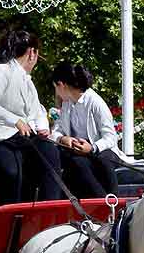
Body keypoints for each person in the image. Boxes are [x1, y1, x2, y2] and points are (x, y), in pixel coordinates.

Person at [0, 30, 62, 205]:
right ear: (32, 52)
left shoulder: (27, 81)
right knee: (12, 172)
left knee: (49, 151)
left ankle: (48, 209)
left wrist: (42, 126)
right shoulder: (2, 70)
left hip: (21, 139)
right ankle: (11, 217)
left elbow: (38, 110)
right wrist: (15, 120)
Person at [49, 61, 129, 198]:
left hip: (101, 151)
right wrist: (63, 138)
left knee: (101, 161)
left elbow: (110, 137)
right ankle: (101, 202)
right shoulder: (67, 104)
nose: (56, 92)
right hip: (78, 152)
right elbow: (56, 131)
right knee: (76, 162)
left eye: (55, 87)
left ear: (61, 85)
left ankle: (108, 201)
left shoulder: (95, 103)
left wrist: (92, 148)